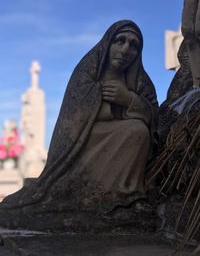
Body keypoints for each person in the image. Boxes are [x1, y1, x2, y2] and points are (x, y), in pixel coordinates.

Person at [0, 20, 158, 230]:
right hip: (85, 142)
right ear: (108, 43)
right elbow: (73, 115)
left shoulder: (141, 82)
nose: (126, 49)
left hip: (123, 143)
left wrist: (129, 100)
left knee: (138, 131)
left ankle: (126, 194)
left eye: (134, 45)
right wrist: (103, 102)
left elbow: (155, 117)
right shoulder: (88, 71)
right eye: (120, 41)